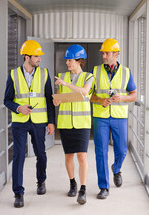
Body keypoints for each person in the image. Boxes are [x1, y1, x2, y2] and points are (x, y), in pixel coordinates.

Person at [3, 40, 55, 208]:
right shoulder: (13, 74)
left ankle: (41, 181)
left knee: (41, 153)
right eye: (36, 56)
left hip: (39, 121)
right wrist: (18, 108)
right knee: (19, 156)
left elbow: (49, 98)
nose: (39, 59)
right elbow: (7, 100)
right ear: (27, 57)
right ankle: (18, 193)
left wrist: (51, 122)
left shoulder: (44, 73)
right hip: (20, 122)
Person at [90, 38, 137, 199]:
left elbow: (134, 94)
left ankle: (116, 169)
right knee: (100, 152)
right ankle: (104, 186)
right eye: (103, 53)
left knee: (122, 151)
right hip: (101, 117)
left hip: (119, 117)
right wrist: (100, 100)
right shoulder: (95, 71)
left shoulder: (126, 72)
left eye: (106, 53)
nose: (103, 55)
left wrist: (122, 98)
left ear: (116, 54)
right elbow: (88, 94)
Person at [53, 45, 93, 205]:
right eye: (67, 60)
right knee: (68, 155)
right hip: (65, 122)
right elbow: (60, 99)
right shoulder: (61, 76)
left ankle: (83, 189)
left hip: (82, 123)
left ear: (79, 61)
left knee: (82, 156)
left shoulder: (89, 77)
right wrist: (56, 100)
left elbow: (84, 92)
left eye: (70, 60)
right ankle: (72, 183)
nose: (67, 63)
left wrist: (66, 84)